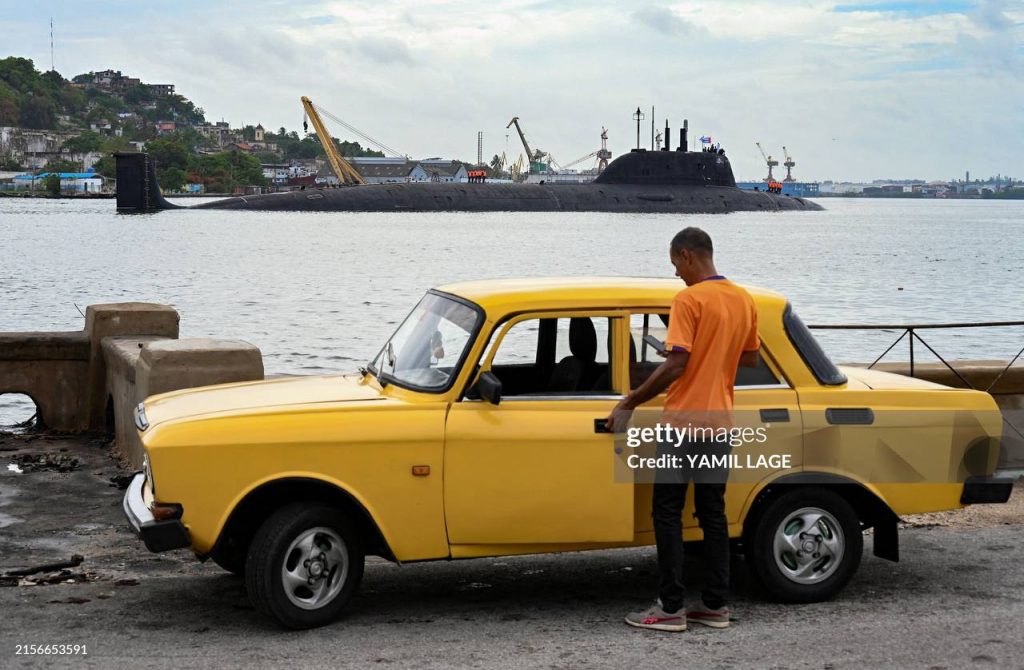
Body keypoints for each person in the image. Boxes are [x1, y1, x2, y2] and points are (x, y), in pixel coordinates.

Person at [606, 227, 759, 632]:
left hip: (683, 423)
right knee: (713, 513)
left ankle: (670, 607)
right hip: (721, 422)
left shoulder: (689, 299)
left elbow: (678, 366)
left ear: (688, 255)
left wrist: (631, 400)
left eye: (675, 264)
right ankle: (714, 605)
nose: (676, 273)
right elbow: (750, 358)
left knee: (668, 512)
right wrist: (705, 353)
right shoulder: (743, 299)